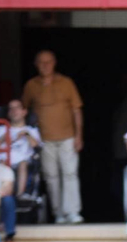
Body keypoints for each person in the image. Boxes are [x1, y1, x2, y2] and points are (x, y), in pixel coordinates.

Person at [21, 50, 84, 224]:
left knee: (70, 174)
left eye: (48, 62)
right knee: (51, 176)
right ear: (36, 65)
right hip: (44, 139)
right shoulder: (31, 85)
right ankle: (58, 214)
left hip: (68, 136)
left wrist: (79, 135)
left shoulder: (66, 83)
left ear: (54, 63)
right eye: (41, 62)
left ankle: (72, 212)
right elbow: (23, 111)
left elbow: (76, 110)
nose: (45, 65)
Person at [0, 98, 42, 201]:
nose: (14, 111)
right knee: (2, 163)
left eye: (17, 108)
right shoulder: (0, 129)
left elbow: (37, 147)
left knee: (23, 163)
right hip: (3, 160)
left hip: (23, 162)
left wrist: (26, 134)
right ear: (8, 113)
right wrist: (3, 138)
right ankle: (0, 194)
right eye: (11, 109)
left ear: (24, 112)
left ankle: (20, 195)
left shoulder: (31, 130)